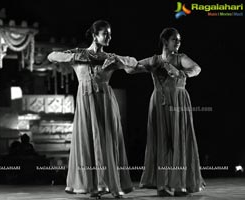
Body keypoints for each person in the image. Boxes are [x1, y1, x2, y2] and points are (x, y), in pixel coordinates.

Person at [47, 20, 138, 199]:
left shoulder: (109, 57)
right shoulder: (79, 54)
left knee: (108, 140)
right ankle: (93, 185)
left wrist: (118, 60)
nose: (110, 37)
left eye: (110, 34)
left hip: (105, 102)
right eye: (106, 34)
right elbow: (52, 56)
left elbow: (133, 63)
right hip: (86, 102)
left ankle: (111, 184)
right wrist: (74, 58)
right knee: (88, 140)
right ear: (95, 35)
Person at [125, 27, 205, 196]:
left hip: (178, 101)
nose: (178, 42)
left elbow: (197, 69)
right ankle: (162, 184)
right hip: (159, 103)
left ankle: (180, 184)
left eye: (179, 40)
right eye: (175, 39)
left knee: (179, 140)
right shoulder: (154, 60)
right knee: (161, 141)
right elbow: (131, 70)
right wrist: (127, 62)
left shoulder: (180, 58)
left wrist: (180, 72)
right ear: (165, 41)